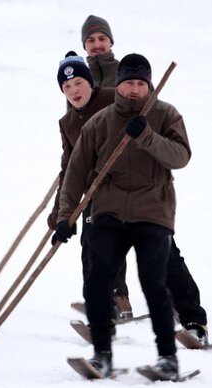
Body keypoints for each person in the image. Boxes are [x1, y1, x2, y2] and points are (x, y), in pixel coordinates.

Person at [52, 53, 191, 379]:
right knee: (97, 279)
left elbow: (181, 156)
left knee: (154, 284)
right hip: (109, 210)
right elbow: (75, 173)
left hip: (152, 209)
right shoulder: (99, 122)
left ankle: (167, 359)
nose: (133, 89)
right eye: (128, 83)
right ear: (118, 85)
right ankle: (102, 355)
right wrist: (64, 216)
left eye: (140, 84)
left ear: (149, 86)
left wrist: (147, 136)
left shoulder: (166, 115)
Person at [47, 52, 134, 320]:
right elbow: (68, 170)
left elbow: (143, 105)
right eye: (67, 86)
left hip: (129, 182)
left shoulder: (110, 98)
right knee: (90, 243)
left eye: (78, 83)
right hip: (95, 192)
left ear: (89, 82)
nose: (74, 91)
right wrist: (61, 215)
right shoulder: (67, 123)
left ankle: (119, 297)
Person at [81, 15, 118, 88]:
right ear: (85, 46)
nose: (97, 45)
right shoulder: (81, 81)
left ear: (110, 42)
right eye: (91, 40)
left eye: (102, 39)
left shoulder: (126, 74)